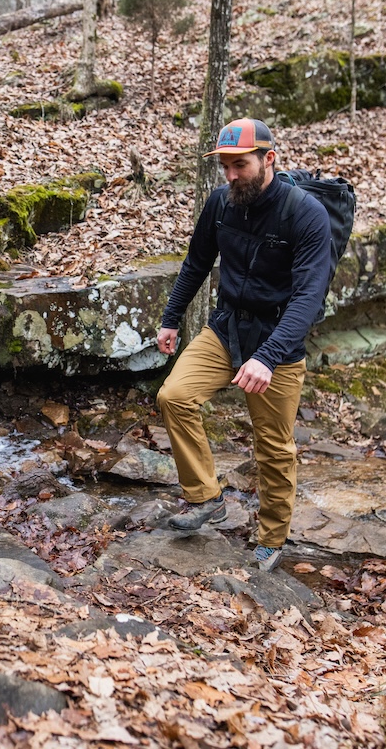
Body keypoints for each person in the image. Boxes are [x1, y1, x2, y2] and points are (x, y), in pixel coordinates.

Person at [155, 118, 331, 573]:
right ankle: (207, 497)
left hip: (278, 342)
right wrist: (171, 319)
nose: (231, 175)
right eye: (225, 166)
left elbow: (309, 297)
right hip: (227, 329)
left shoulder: (305, 214)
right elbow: (196, 263)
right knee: (174, 396)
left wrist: (268, 357)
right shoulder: (220, 204)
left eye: (241, 165)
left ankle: (272, 537)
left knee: (273, 447)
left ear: (269, 159)